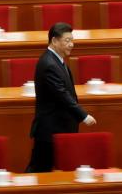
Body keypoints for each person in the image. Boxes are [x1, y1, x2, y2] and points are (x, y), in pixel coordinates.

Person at [26, 22, 97, 173]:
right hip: (50, 131)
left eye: (72, 40)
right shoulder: (49, 63)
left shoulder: (56, 60)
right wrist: (83, 115)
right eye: (67, 41)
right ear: (54, 40)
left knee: (44, 171)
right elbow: (62, 94)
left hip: (58, 128)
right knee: (39, 172)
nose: (71, 45)